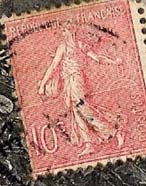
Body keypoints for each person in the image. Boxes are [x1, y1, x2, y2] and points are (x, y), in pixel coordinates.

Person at [37, 26, 124, 155]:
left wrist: (114, 62)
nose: (63, 32)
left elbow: (98, 58)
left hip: (76, 80)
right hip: (68, 82)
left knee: (83, 109)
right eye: (63, 31)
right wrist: (42, 84)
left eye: (65, 30)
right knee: (76, 113)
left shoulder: (79, 45)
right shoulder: (63, 47)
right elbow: (53, 66)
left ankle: (113, 132)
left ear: (72, 31)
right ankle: (89, 144)